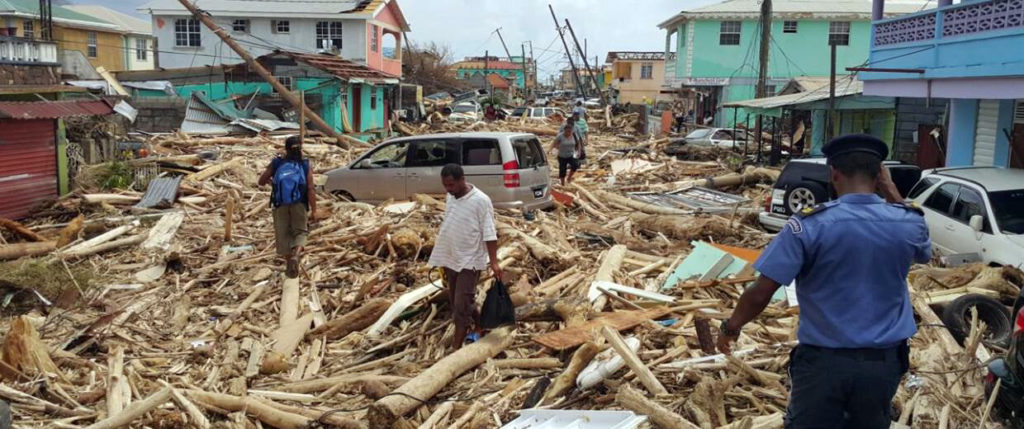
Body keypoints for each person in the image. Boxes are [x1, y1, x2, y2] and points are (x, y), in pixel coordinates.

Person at [716, 134, 931, 429]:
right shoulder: (908, 221)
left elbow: (762, 291)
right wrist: (893, 193)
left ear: (834, 173)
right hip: (882, 365)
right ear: (880, 174)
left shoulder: (809, 225)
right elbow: (924, 254)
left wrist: (731, 328)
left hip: (823, 365)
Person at [427, 164, 502, 350]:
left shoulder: (480, 201)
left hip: (471, 260)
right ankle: (481, 324)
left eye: (451, 184)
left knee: (461, 307)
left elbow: (489, 233)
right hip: (451, 257)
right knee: (458, 301)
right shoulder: (451, 197)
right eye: (445, 185)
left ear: (462, 179)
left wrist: (494, 262)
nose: (448, 189)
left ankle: (456, 348)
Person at [258, 136, 318, 278]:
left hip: (280, 204)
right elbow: (310, 188)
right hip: (299, 204)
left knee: (283, 234)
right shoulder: (304, 164)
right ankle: (296, 255)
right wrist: (314, 209)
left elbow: (261, 181)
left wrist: (273, 183)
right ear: (301, 147)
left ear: (286, 148)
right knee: (301, 232)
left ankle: (288, 265)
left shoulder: (277, 162)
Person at [550, 120, 581, 186]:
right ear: (564, 130)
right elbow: (554, 143)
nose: (569, 133)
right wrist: (551, 150)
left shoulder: (574, 135)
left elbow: (578, 144)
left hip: (571, 154)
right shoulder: (560, 136)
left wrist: (579, 151)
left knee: (575, 165)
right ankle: (562, 183)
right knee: (562, 169)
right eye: (567, 131)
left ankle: (569, 177)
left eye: (570, 131)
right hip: (562, 156)